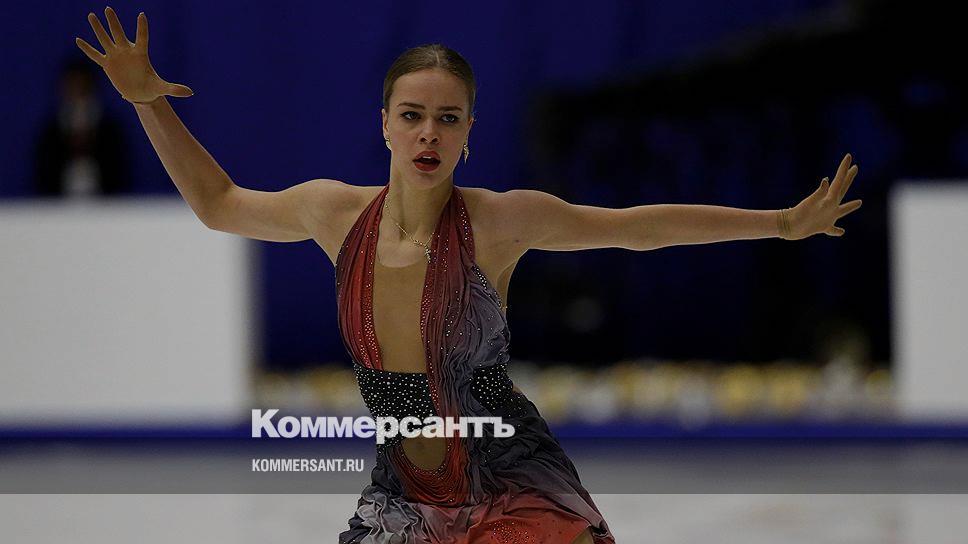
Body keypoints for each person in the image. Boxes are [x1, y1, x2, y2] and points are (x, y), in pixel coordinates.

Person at [77, 7, 863, 543]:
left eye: (447, 118)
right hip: (405, 489)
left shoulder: (502, 221)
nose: (429, 133)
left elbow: (639, 230)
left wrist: (780, 223)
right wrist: (148, 104)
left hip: (509, 470)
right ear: (385, 124)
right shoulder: (332, 213)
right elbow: (218, 204)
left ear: (468, 134)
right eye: (412, 115)